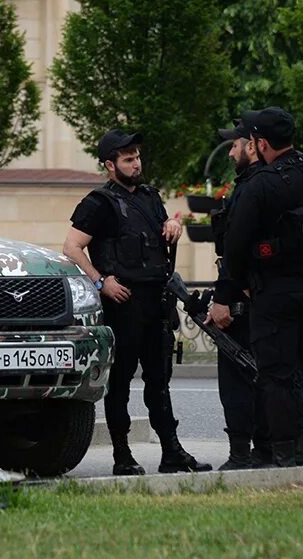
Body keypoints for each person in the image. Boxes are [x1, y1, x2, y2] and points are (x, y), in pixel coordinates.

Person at [63, 129, 211, 475]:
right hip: (124, 302)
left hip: (156, 302)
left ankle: (171, 452)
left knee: (159, 382)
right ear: (110, 165)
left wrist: (173, 225)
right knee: (121, 381)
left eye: (137, 157)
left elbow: (160, 230)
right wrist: (101, 282)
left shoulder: (149, 196)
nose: (136, 163)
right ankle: (122, 455)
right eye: (128, 159)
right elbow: (71, 246)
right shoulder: (98, 203)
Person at [224, 107, 303, 467]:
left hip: (274, 293)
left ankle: (284, 453)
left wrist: (246, 284)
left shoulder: (261, 184)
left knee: (277, 376)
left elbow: (234, 245)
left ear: (261, 143)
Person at [206, 121, 265, 470]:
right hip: (268, 301)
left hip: (244, 304)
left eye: (235, 146)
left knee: (238, 381)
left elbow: (237, 251)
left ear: (253, 146)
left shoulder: (251, 188)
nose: (230, 153)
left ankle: (242, 454)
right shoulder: (275, 183)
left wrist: (223, 298)